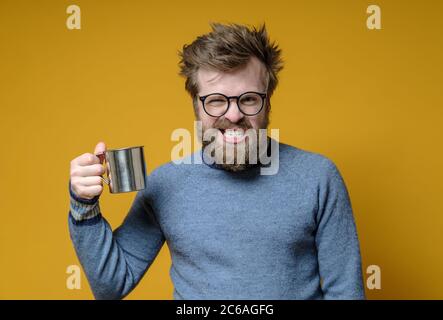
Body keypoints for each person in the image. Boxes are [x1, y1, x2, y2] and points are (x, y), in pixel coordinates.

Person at [68, 23, 365, 299]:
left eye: (248, 99)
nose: (233, 115)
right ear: (197, 105)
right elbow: (111, 285)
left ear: (268, 101)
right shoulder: (165, 184)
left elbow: (345, 291)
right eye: (216, 100)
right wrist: (84, 205)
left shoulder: (317, 177)